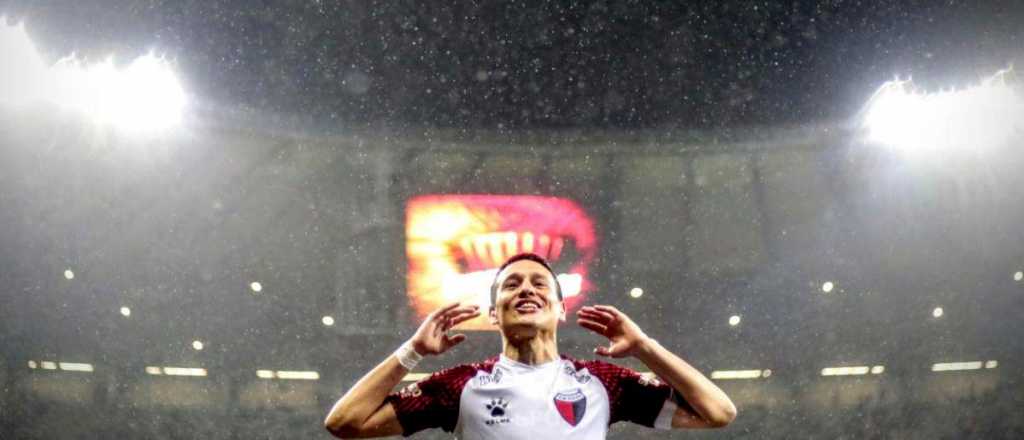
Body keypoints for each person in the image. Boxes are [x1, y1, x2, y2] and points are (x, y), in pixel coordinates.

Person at [325, 253, 736, 439]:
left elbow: (718, 412)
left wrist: (644, 346)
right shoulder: (460, 385)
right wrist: (411, 352)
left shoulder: (603, 382)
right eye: (512, 285)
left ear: (559, 309)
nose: (526, 289)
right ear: (493, 314)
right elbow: (344, 423)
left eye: (539, 283)